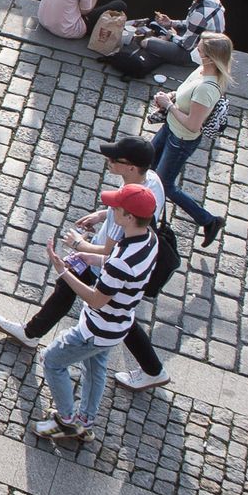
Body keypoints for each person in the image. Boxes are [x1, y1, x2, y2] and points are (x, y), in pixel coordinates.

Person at [0, 137, 171, 389]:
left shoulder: (133, 206)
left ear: (131, 167)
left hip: (104, 265)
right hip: (107, 264)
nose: (108, 161)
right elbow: (124, 212)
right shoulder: (148, 182)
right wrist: (102, 214)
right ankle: (32, 332)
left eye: (115, 159)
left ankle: (32, 334)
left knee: (114, 316)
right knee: (108, 311)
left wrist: (78, 246)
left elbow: (110, 251)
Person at [32, 184, 158, 443]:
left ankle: (66, 421)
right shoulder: (149, 240)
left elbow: (96, 299)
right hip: (118, 326)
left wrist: (64, 273)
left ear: (130, 217)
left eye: (117, 208)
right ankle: (86, 423)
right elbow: (118, 267)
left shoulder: (123, 260)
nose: (111, 209)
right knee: (96, 370)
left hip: (96, 328)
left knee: (52, 361)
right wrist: (93, 259)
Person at [151, 31, 233, 248]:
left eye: (199, 50)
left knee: (165, 185)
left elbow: (193, 124)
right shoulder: (202, 71)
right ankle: (145, 210)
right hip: (171, 128)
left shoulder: (207, 88)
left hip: (181, 139)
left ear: (208, 57)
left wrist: (168, 106)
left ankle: (208, 220)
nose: (195, 51)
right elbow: (185, 96)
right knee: (147, 164)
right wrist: (170, 97)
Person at [131, 0, 226, 72]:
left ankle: (164, 50)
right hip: (199, 39)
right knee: (155, 24)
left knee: (146, 42)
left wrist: (171, 36)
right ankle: (164, 45)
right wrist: (171, 23)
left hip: (197, 54)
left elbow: (186, 45)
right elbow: (195, 25)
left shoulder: (200, 13)